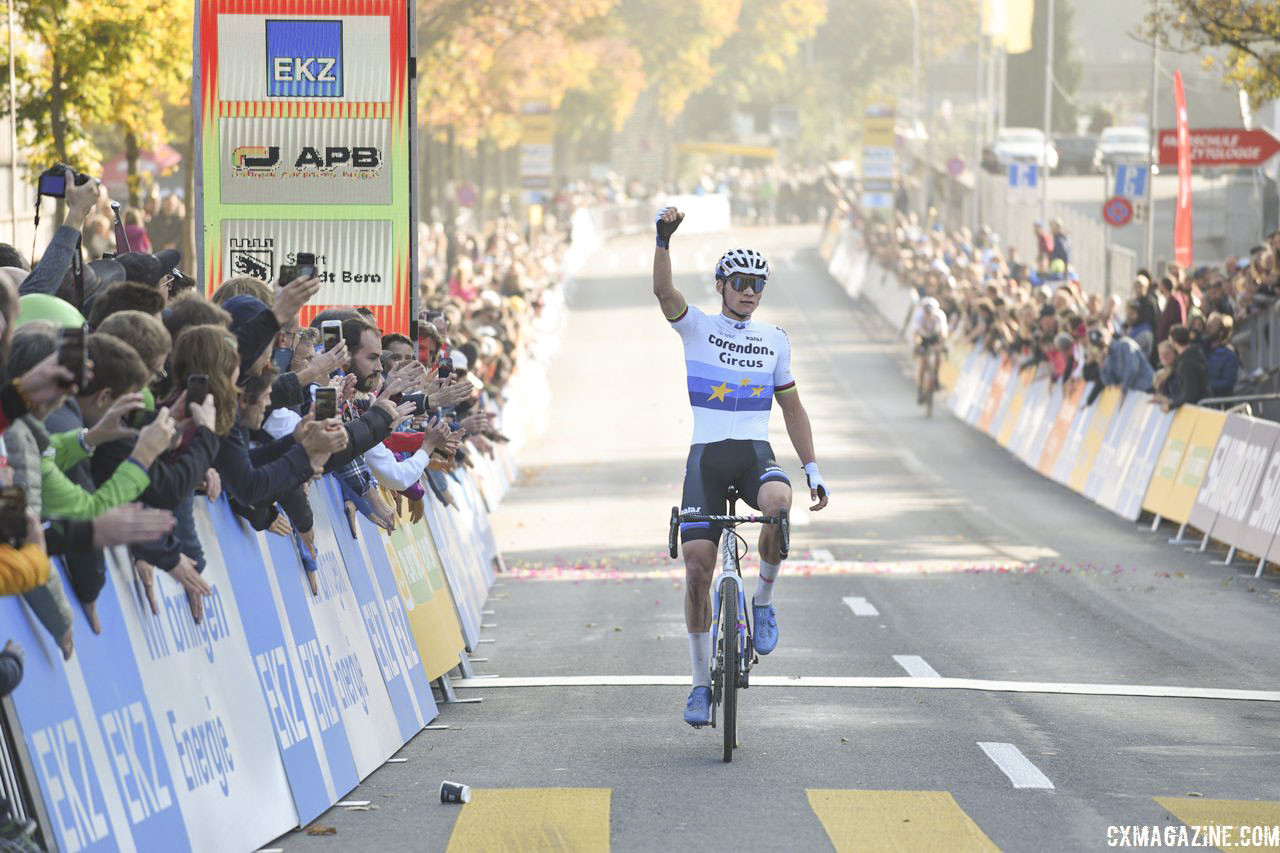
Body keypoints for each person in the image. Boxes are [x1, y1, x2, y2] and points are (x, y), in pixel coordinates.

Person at [651, 206, 829, 729]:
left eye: (758, 284)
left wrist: (812, 467)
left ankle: (765, 601)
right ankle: (701, 686)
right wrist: (662, 240)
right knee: (698, 571)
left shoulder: (775, 339)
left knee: (779, 505)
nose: (750, 291)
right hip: (706, 459)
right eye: (741, 282)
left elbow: (792, 409)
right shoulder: (697, 327)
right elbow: (664, 293)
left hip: (753, 455)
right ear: (722, 285)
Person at [911, 296, 949, 404]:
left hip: (935, 337)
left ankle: (936, 375)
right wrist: (917, 345)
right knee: (922, 363)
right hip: (923, 338)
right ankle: (919, 390)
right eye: (926, 315)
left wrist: (941, 346)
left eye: (930, 315)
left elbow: (943, 335)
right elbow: (916, 335)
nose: (928, 317)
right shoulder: (919, 316)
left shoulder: (939, 316)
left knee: (938, 355)